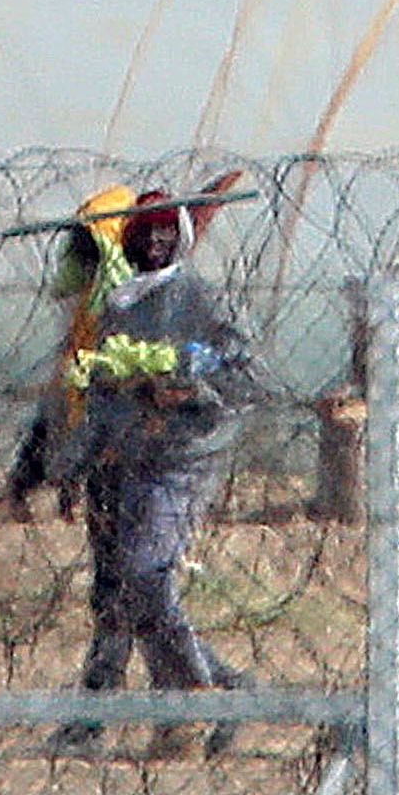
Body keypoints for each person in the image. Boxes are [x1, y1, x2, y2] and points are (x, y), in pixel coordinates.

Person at [53, 184, 257, 738]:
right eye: (146, 234)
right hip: (128, 458)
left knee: (146, 577)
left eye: (168, 233)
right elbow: (101, 396)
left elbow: (245, 374)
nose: (157, 244)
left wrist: (190, 384)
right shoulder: (120, 307)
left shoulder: (199, 300)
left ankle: (193, 698)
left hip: (184, 458)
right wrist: (75, 465)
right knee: (125, 590)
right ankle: (223, 688)